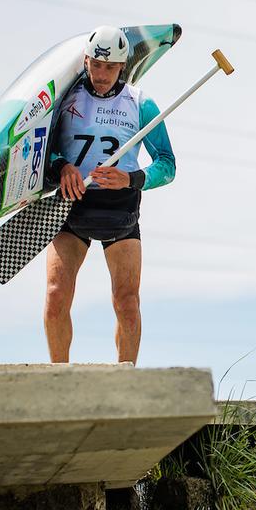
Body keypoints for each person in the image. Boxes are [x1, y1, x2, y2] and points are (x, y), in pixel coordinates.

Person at [44, 25, 175, 364]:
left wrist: (130, 178)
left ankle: (125, 380)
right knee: (56, 296)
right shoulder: (65, 99)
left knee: (127, 302)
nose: (102, 75)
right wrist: (63, 167)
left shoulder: (141, 103)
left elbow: (167, 165)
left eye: (111, 67)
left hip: (120, 211)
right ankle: (59, 380)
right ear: (86, 61)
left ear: (123, 65)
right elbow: (43, 151)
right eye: (96, 65)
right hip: (72, 208)